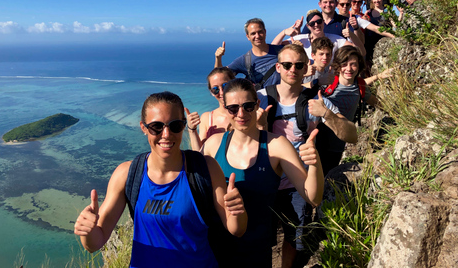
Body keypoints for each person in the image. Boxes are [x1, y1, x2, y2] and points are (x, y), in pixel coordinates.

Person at [74, 91, 247, 268]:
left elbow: (236, 229)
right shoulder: (127, 174)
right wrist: (87, 231)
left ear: (184, 125)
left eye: (175, 125)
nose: (166, 134)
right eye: (156, 126)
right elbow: (95, 243)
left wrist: (237, 211)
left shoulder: (204, 168)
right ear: (143, 127)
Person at [201, 78, 324, 268]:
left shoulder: (277, 145)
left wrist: (315, 165)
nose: (241, 114)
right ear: (226, 109)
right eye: (233, 108)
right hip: (215, 249)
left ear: (258, 105)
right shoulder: (213, 145)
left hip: (256, 252)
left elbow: (312, 197)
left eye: (248, 106)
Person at [256, 44, 357, 267]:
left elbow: (352, 135)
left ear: (305, 69)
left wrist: (327, 115)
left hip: (299, 181)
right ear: (278, 67)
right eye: (287, 65)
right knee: (261, 238)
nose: (293, 69)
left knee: (294, 238)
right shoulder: (259, 99)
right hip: (265, 180)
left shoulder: (315, 101)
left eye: (298, 65)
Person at [316, 46, 377, 175]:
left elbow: (375, 102)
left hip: (339, 144)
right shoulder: (327, 84)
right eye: (344, 64)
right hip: (319, 141)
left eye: (353, 64)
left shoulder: (360, 86)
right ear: (338, 66)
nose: (348, 69)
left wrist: (397, 111)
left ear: (359, 66)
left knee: (328, 177)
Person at [214, 18, 283, 89]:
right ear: (248, 37)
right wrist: (218, 58)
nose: (257, 36)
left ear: (265, 32)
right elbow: (220, 75)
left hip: (287, 97)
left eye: (260, 32)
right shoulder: (245, 60)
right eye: (253, 33)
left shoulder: (281, 50)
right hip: (263, 99)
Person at [273, 9, 365, 61]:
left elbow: (361, 52)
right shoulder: (301, 39)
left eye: (319, 21)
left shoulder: (335, 39)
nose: (316, 25)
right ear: (308, 26)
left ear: (323, 23)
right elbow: (273, 48)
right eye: (312, 23)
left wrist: (352, 35)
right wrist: (283, 32)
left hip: (328, 81)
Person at [186, 67, 235, 151]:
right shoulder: (207, 118)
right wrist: (192, 130)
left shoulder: (245, 114)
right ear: (211, 92)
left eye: (225, 85)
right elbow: (199, 154)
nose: (221, 92)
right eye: (215, 89)